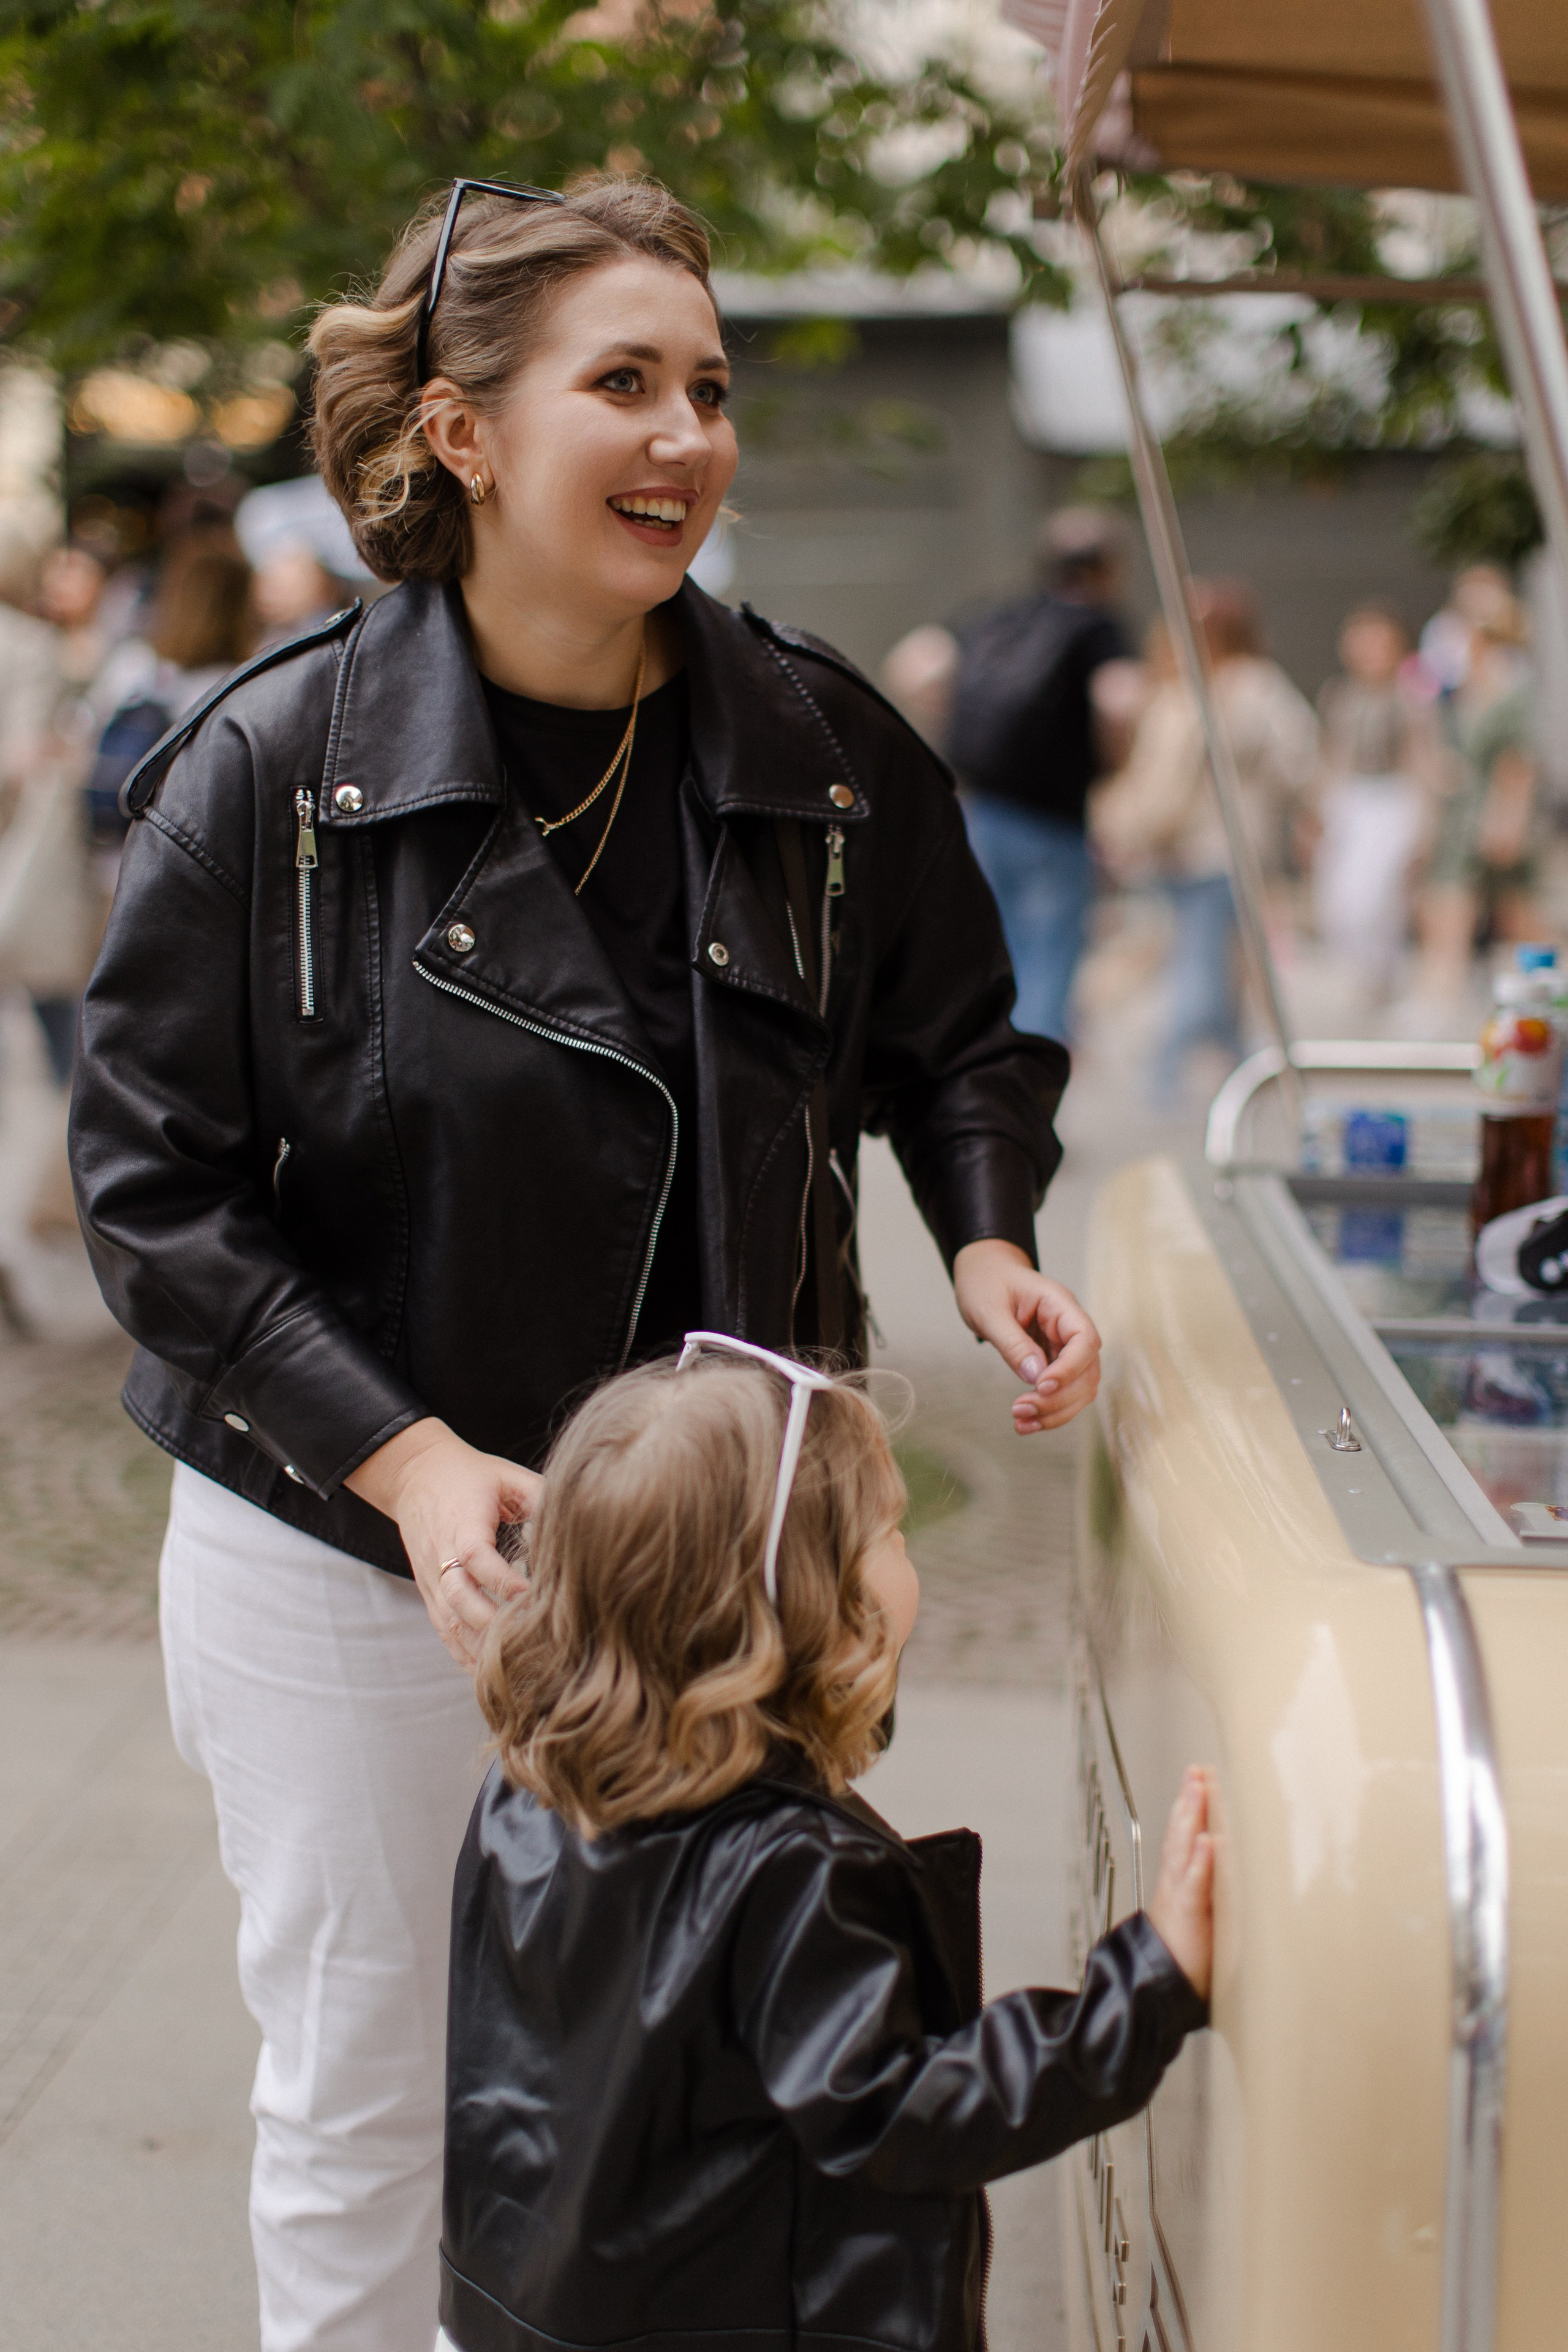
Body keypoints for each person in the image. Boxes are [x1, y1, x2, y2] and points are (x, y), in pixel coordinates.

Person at [68, 177, 1101, 2352]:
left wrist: (985, 1227)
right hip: (345, 1552)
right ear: (458, 431)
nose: (682, 435)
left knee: (673, 2106)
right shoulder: (267, 768)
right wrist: (414, 1465)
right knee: (375, 2100)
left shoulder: (812, 740)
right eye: (619, 383)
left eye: (705, 388)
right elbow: (150, 1189)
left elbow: (954, 1030)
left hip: (711, 1564)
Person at [441, 1341, 1213, 2352]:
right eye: (889, 1534)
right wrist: (1149, 1985)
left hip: (521, 2316)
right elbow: (906, 2113)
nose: (910, 1559)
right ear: (792, 1609)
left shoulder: (527, 1785)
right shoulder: (795, 1873)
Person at [884, 507, 1131, 1046]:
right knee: (1050, 958)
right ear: (1108, 568)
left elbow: (910, 664)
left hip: (981, 809)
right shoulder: (1098, 625)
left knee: (992, 954)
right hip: (1054, 820)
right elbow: (1119, 702)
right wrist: (1112, 764)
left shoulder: (1001, 614)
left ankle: (984, 1084)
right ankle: (1030, 1102)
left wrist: (957, 722)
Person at [1091, 581, 1317, 1104]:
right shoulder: (1175, 687)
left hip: (1220, 850)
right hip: (1177, 847)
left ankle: (1189, 1068)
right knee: (1203, 960)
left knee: (1203, 959)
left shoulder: (1249, 687)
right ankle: (1207, 1065)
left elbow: (1293, 760)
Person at [1409, 576, 1545, 1017]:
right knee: (1449, 898)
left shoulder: (1513, 676)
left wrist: (1509, 818)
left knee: (1518, 914)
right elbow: (1434, 731)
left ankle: (1542, 995)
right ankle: (1438, 992)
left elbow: (1518, 758)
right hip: (1462, 809)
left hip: (1495, 809)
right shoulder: (1458, 675)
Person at [1308, 602, 1444, 1009]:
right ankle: (1363, 972)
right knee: (1340, 898)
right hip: (1351, 799)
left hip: (1392, 799)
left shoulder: (1410, 697)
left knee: (1380, 895)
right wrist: (1317, 813)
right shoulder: (1339, 695)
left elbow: (1423, 760)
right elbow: (1331, 758)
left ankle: (1385, 975)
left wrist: (1427, 822)